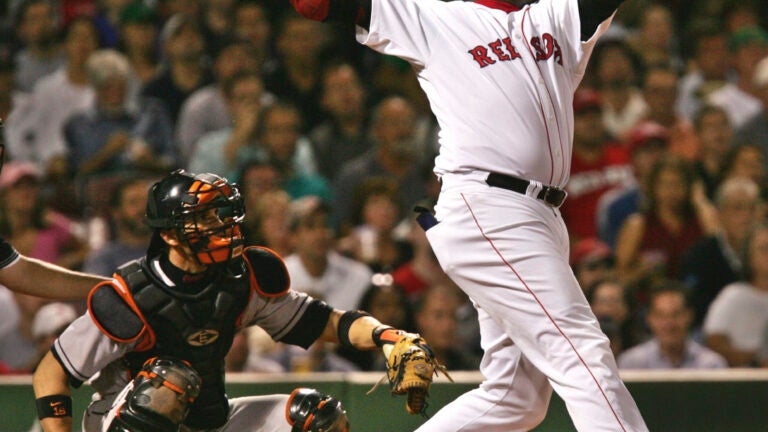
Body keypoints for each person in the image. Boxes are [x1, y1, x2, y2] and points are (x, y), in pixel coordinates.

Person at [290, 0, 649, 430]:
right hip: (488, 205)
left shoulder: (555, 16)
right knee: (582, 355)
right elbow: (316, 6)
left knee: (516, 397)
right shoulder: (435, 16)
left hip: (540, 216)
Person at [32, 169, 428, 432]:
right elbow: (51, 374)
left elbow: (325, 321)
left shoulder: (243, 277)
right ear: (171, 234)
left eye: (224, 216)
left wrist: (387, 336)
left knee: (318, 418)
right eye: (206, 219)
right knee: (168, 384)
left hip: (211, 419)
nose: (223, 228)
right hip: (130, 421)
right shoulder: (130, 295)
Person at [618, 282, 728, 369]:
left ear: (689, 316)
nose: (668, 324)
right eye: (660, 315)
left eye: (676, 315)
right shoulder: (631, 363)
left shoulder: (711, 365)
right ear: (649, 319)